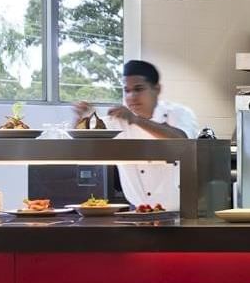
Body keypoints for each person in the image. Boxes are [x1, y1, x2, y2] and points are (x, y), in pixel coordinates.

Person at [74, 60, 198, 209]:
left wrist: (135, 120)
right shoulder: (118, 121)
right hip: (138, 211)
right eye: (127, 90)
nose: (132, 96)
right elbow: (80, 142)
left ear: (156, 89)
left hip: (181, 213)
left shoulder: (178, 113)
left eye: (138, 89)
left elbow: (182, 141)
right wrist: (80, 116)